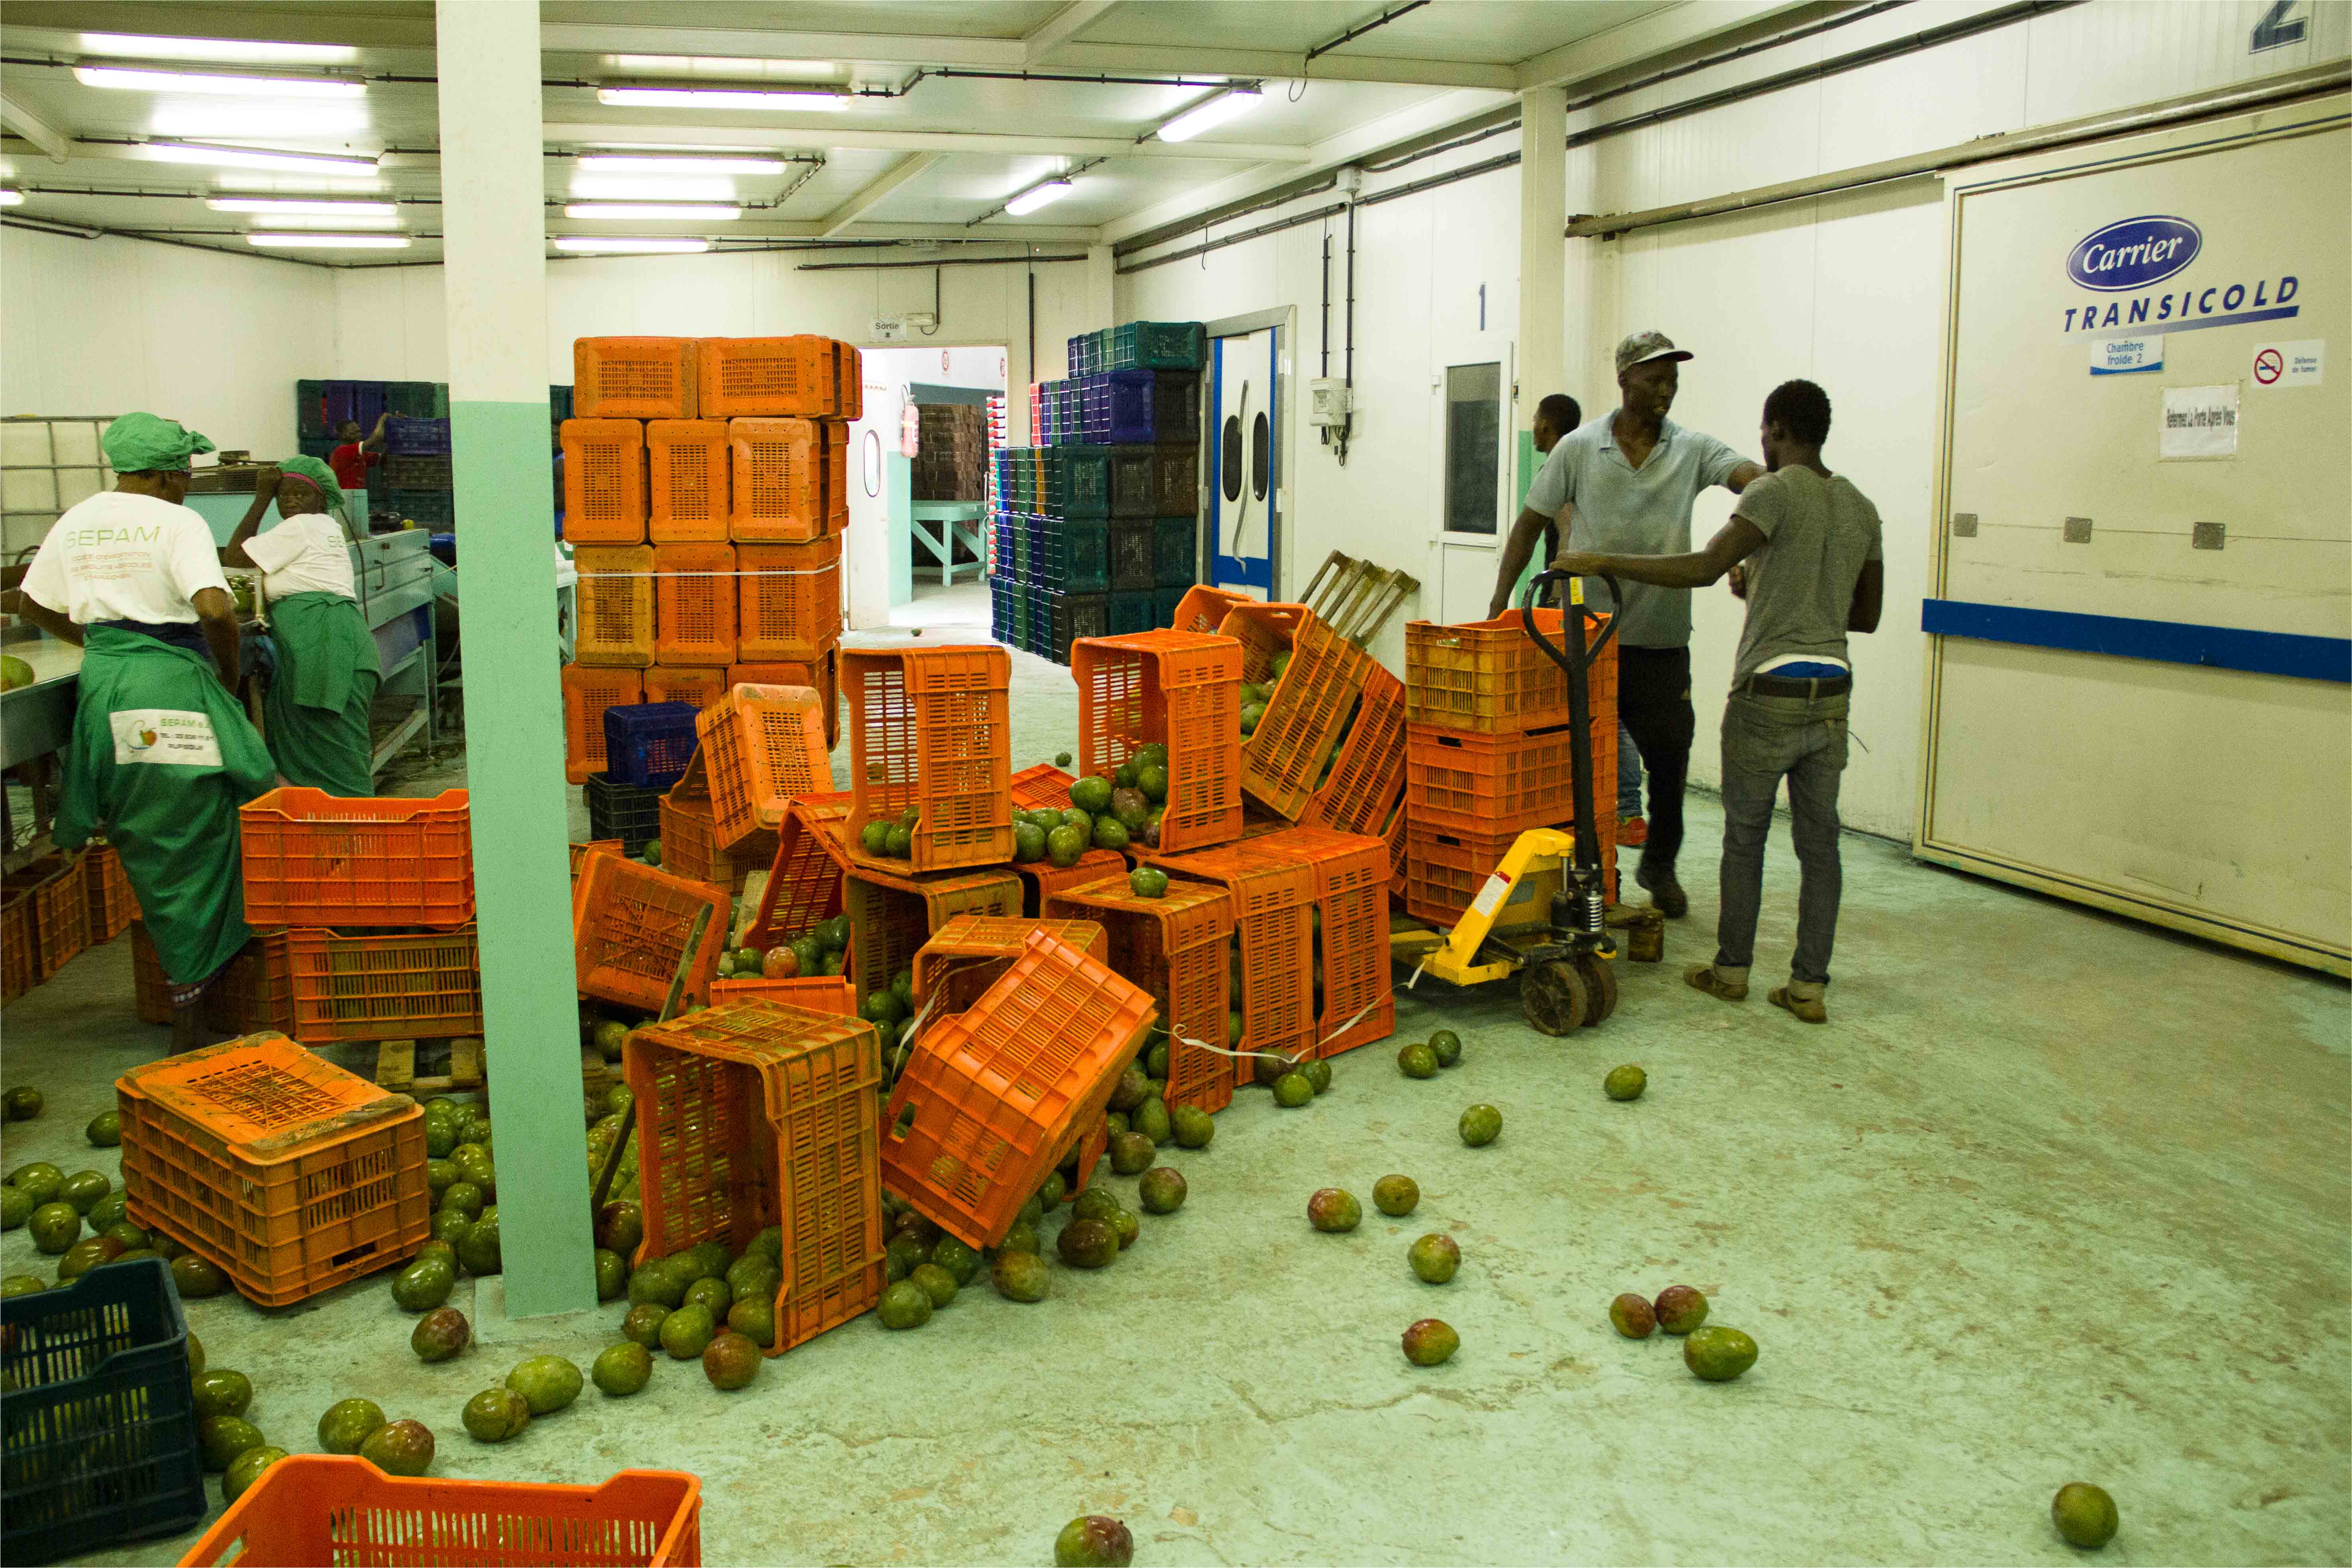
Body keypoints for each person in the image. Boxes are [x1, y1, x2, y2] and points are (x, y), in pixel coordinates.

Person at [1557, 379, 1882, 1024]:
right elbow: (1864, 615)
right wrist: (1770, 587)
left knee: (1746, 837)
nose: (1760, 444)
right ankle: (1807, 988)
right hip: (1831, 693)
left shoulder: (1770, 491)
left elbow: (1704, 566)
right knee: (1822, 846)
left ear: (1778, 429)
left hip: (1769, 691)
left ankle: (1731, 970)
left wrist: (1597, 560)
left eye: (1766, 433)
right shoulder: (1860, 506)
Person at [16, 414, 277, 1049]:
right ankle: (191, 1012)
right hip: (170, 691)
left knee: (151, 838)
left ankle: (194, 990)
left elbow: (30, 603)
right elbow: (215, 608)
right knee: (203, 833)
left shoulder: (77, 518)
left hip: (108, 690)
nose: (186, 485)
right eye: (184, 474)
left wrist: (108, 644)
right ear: (165, 475)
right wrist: (223, 671)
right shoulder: (179, 521)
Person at [1488, 331, 1764, 919]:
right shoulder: (1580, 449)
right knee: (1575, 764)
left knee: (1669, 761)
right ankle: (1586, 875)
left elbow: (1757, 482)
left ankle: (1658, 865)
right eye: (1655, 378)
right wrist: (1499, 599)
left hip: (1661, 643)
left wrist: (1745, 545)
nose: (1667, 389)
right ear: (1624, 379)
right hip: (1585, 642)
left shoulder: (1691, 448)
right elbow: (1529, 524)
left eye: (1673, 380)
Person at [223, 455, 381, 796]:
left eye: (301, 494)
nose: (290, 500)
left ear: (321, 500)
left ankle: (348, 832)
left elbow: (235, 558)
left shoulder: (304, 526)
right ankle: (334, 834)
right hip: (330, 647)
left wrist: (261, 498)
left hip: (323, 650)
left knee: (330, 758)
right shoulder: (323, 528)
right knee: (330, 753)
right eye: (282, 494)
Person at [328, 412, 388, 496]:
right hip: (344, 499)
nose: (359, 435)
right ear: (344, 436)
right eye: (354, 433)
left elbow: (383, 460)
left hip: (358, 497)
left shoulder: (361, 455)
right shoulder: (342, 452)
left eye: (359, 432)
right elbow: (376, 439)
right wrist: (383, 420)